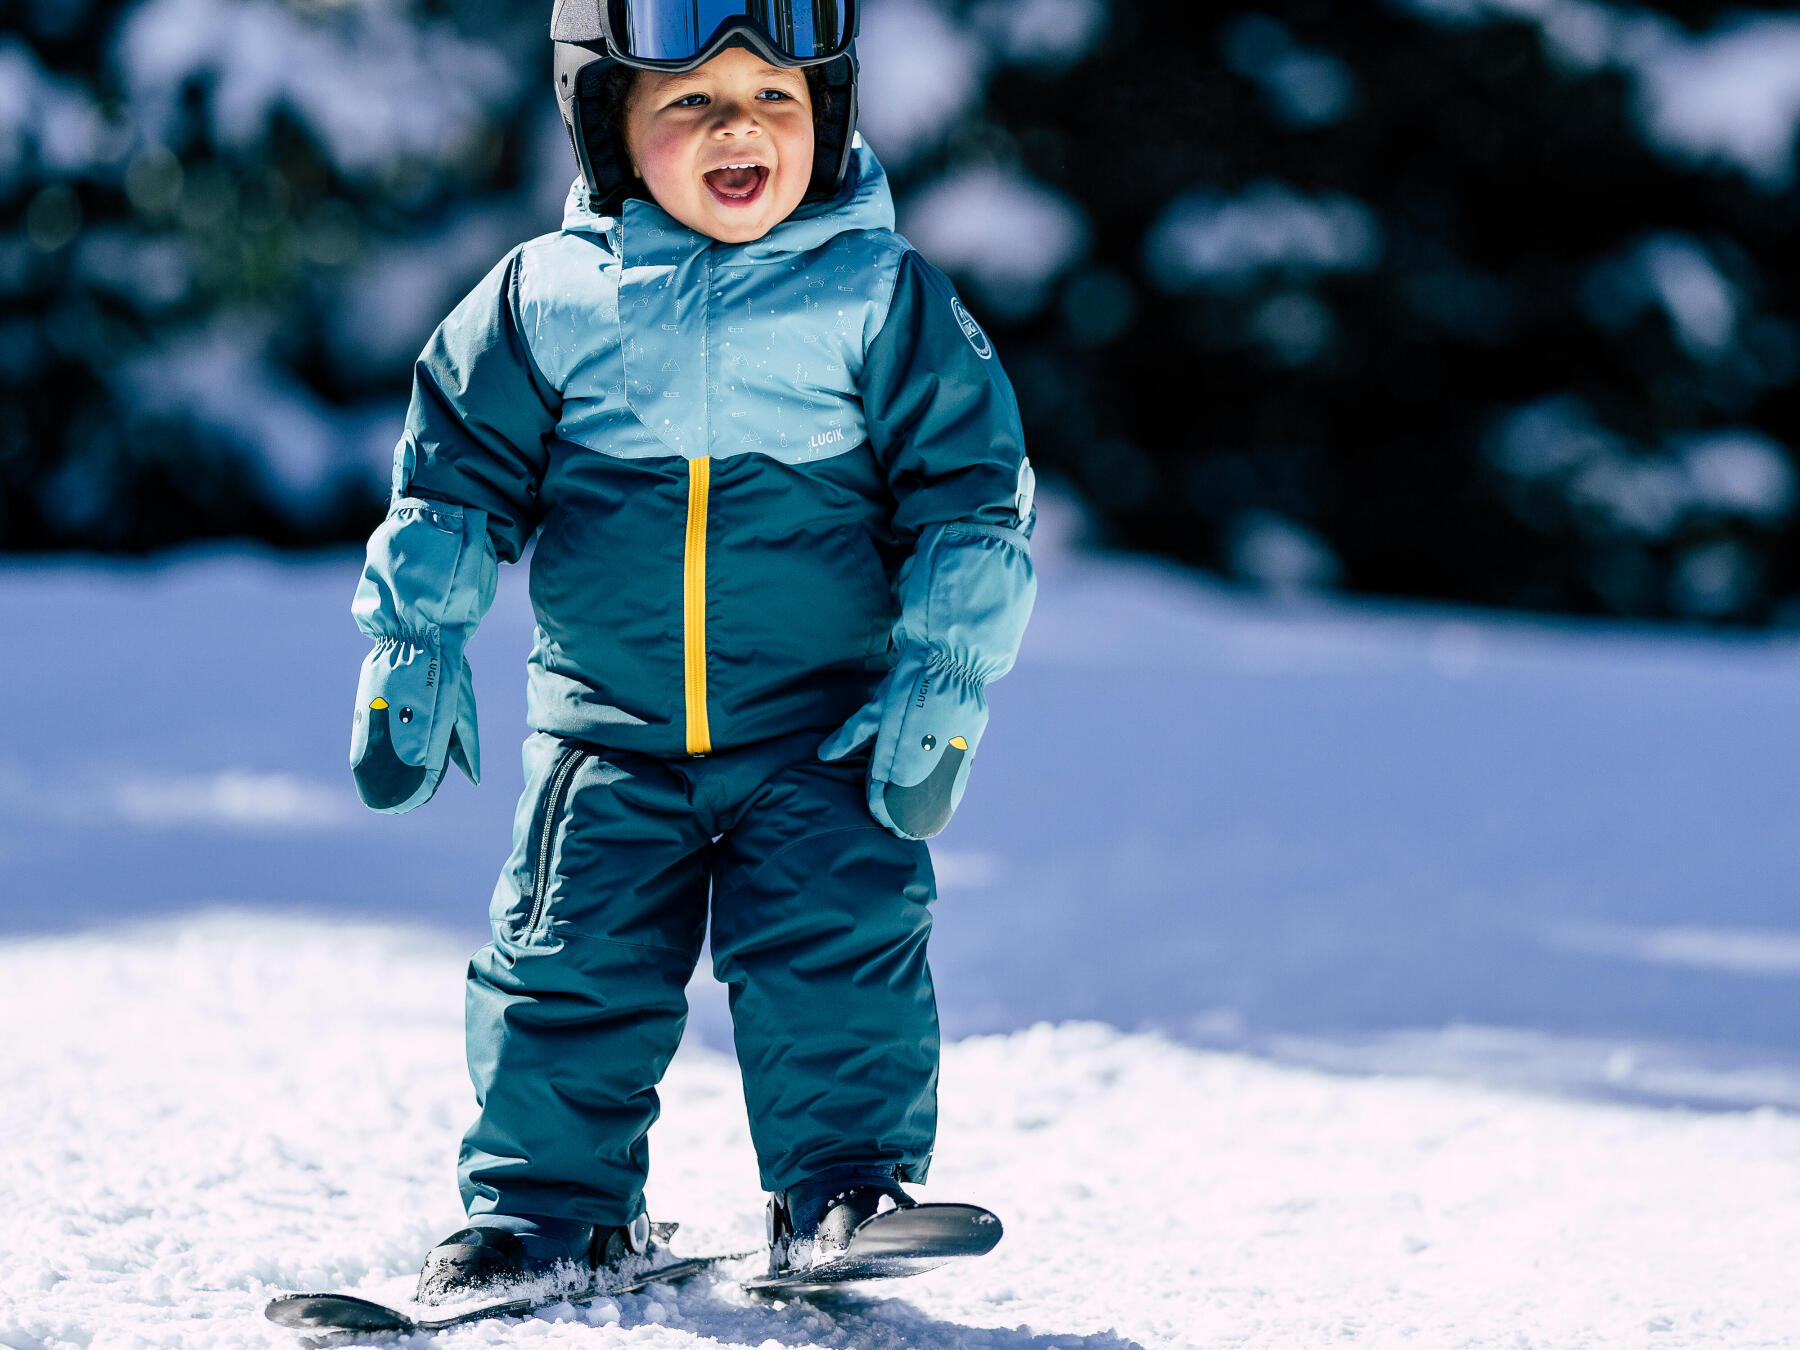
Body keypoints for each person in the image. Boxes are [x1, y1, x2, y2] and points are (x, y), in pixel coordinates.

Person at [348, 0, 1037, 1299]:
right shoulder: (549, 300)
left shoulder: (882, 300)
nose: (742, 130)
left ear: (824, 116)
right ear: (611, 125)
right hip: (607, 736)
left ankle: (842, 1185)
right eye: (692, 103)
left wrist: (944, 676)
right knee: (565, 968)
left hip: (821, 738)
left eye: (775, 98)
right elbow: (452, 472)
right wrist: (415, 639)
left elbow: (973, 495)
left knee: (838, 950)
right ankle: (548, 1208)